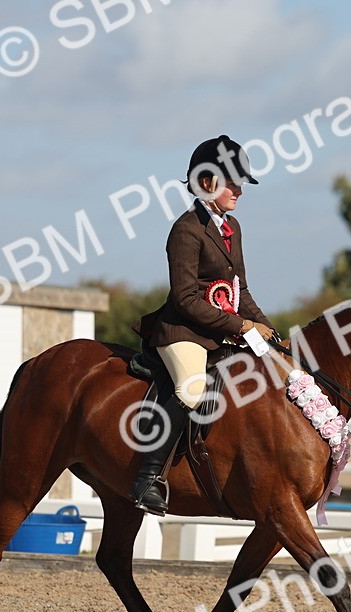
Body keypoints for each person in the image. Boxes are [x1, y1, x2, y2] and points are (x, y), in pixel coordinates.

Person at [129, 135, 278, 515]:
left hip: (220, 330)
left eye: (241, 183)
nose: (239, 190)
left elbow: (240, 290)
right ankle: (147, 478)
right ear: (207, 182)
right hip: (183, 332)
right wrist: (242, 327)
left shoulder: (233, 227)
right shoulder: (186, 229)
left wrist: (268, 330)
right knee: (192, 389)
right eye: (232, 182)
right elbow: (185, 298)